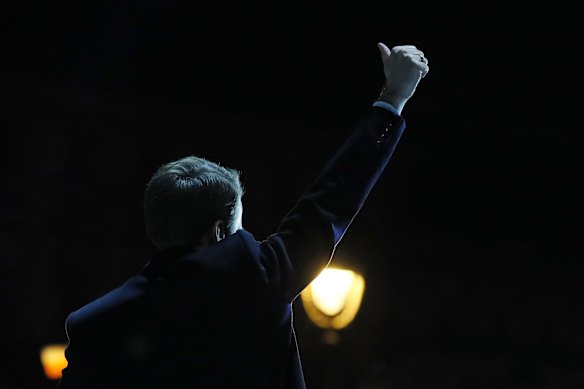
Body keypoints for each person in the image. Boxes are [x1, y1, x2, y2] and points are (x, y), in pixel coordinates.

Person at [58, 42, 429, 388]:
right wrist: (393, 97)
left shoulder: (92, 325)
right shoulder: (258, 276)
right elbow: (333, 196)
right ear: (220, 232)